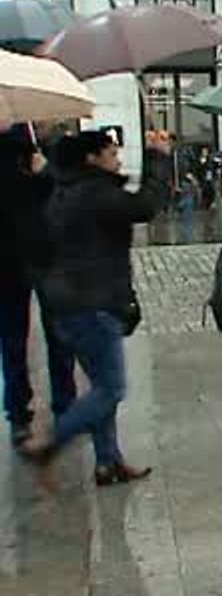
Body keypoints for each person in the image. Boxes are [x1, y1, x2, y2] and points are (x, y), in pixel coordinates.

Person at [20, 131, 166, 485]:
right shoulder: (95, 193)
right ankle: (50, 442)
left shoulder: (65, 190)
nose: (117, 159)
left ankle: (107, 461)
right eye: (111, 152)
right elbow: (145, 207)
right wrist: (158, 157)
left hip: (71, 303)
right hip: (93, 303)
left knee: (101, 385)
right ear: (91, 158)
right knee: (111, 389)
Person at [0, 124, 76, 447]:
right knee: (13, 339)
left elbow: (69, 193)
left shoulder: (54, 147)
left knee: (59, 334)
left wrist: (45, 171)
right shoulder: (8, 146)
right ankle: (18, 411)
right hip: (8, 257)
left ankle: (65, 404)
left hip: (47, 252)